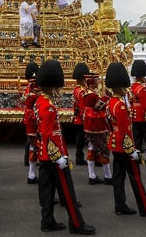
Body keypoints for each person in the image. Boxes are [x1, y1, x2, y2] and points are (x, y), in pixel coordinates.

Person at [36, 60, 95, 234]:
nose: (59, 90)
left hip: (45, 154)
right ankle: (77, 223)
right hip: (54, 155)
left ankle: (47, 221)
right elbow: (48, 134)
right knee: (67, 191)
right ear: (51, 86)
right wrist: (58, 156)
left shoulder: (41, 101)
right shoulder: (47, 106)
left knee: (47, 190)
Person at [105, 62, 146, 218]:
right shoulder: (121, 106)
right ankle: (145, 207)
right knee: (135, 177)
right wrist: (132, 150)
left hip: (115, 145)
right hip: (124, 146)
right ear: (119, 86)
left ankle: (120, 205)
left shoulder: (111, 102)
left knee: (118, 177)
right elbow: (125, 131)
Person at [81, 73, 111, 185]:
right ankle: (108, 176)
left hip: (90, 124)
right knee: (104, 150)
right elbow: (100, 106)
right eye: (96, 80)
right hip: (96, 125)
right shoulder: (91, 95)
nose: (98, 82)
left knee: (92, 149)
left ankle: (92, 175)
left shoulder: (88, 93)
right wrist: (106, 97)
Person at [129, 60, 146, 164]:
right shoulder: (142, 89)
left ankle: (139, 157)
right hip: (143, 116)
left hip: (134, 115)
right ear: (141, 76)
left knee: (137, 137)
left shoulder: (132, 87)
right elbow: (145, 105)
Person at [23, 62, 40, 184]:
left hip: (30, 119)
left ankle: (31, 170)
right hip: (33, 121)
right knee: (33, 146)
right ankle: (31, 174)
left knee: (31, 144)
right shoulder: (33, 95)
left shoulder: (28, 90)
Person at [70, 63, 88, 166]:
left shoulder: (76, 90)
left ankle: (79, 157)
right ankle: (79, 158)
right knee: (82, 140)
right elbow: (82, 107)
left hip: (77, 117)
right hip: (81, 118)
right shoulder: (81, 92)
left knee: (80, 139)